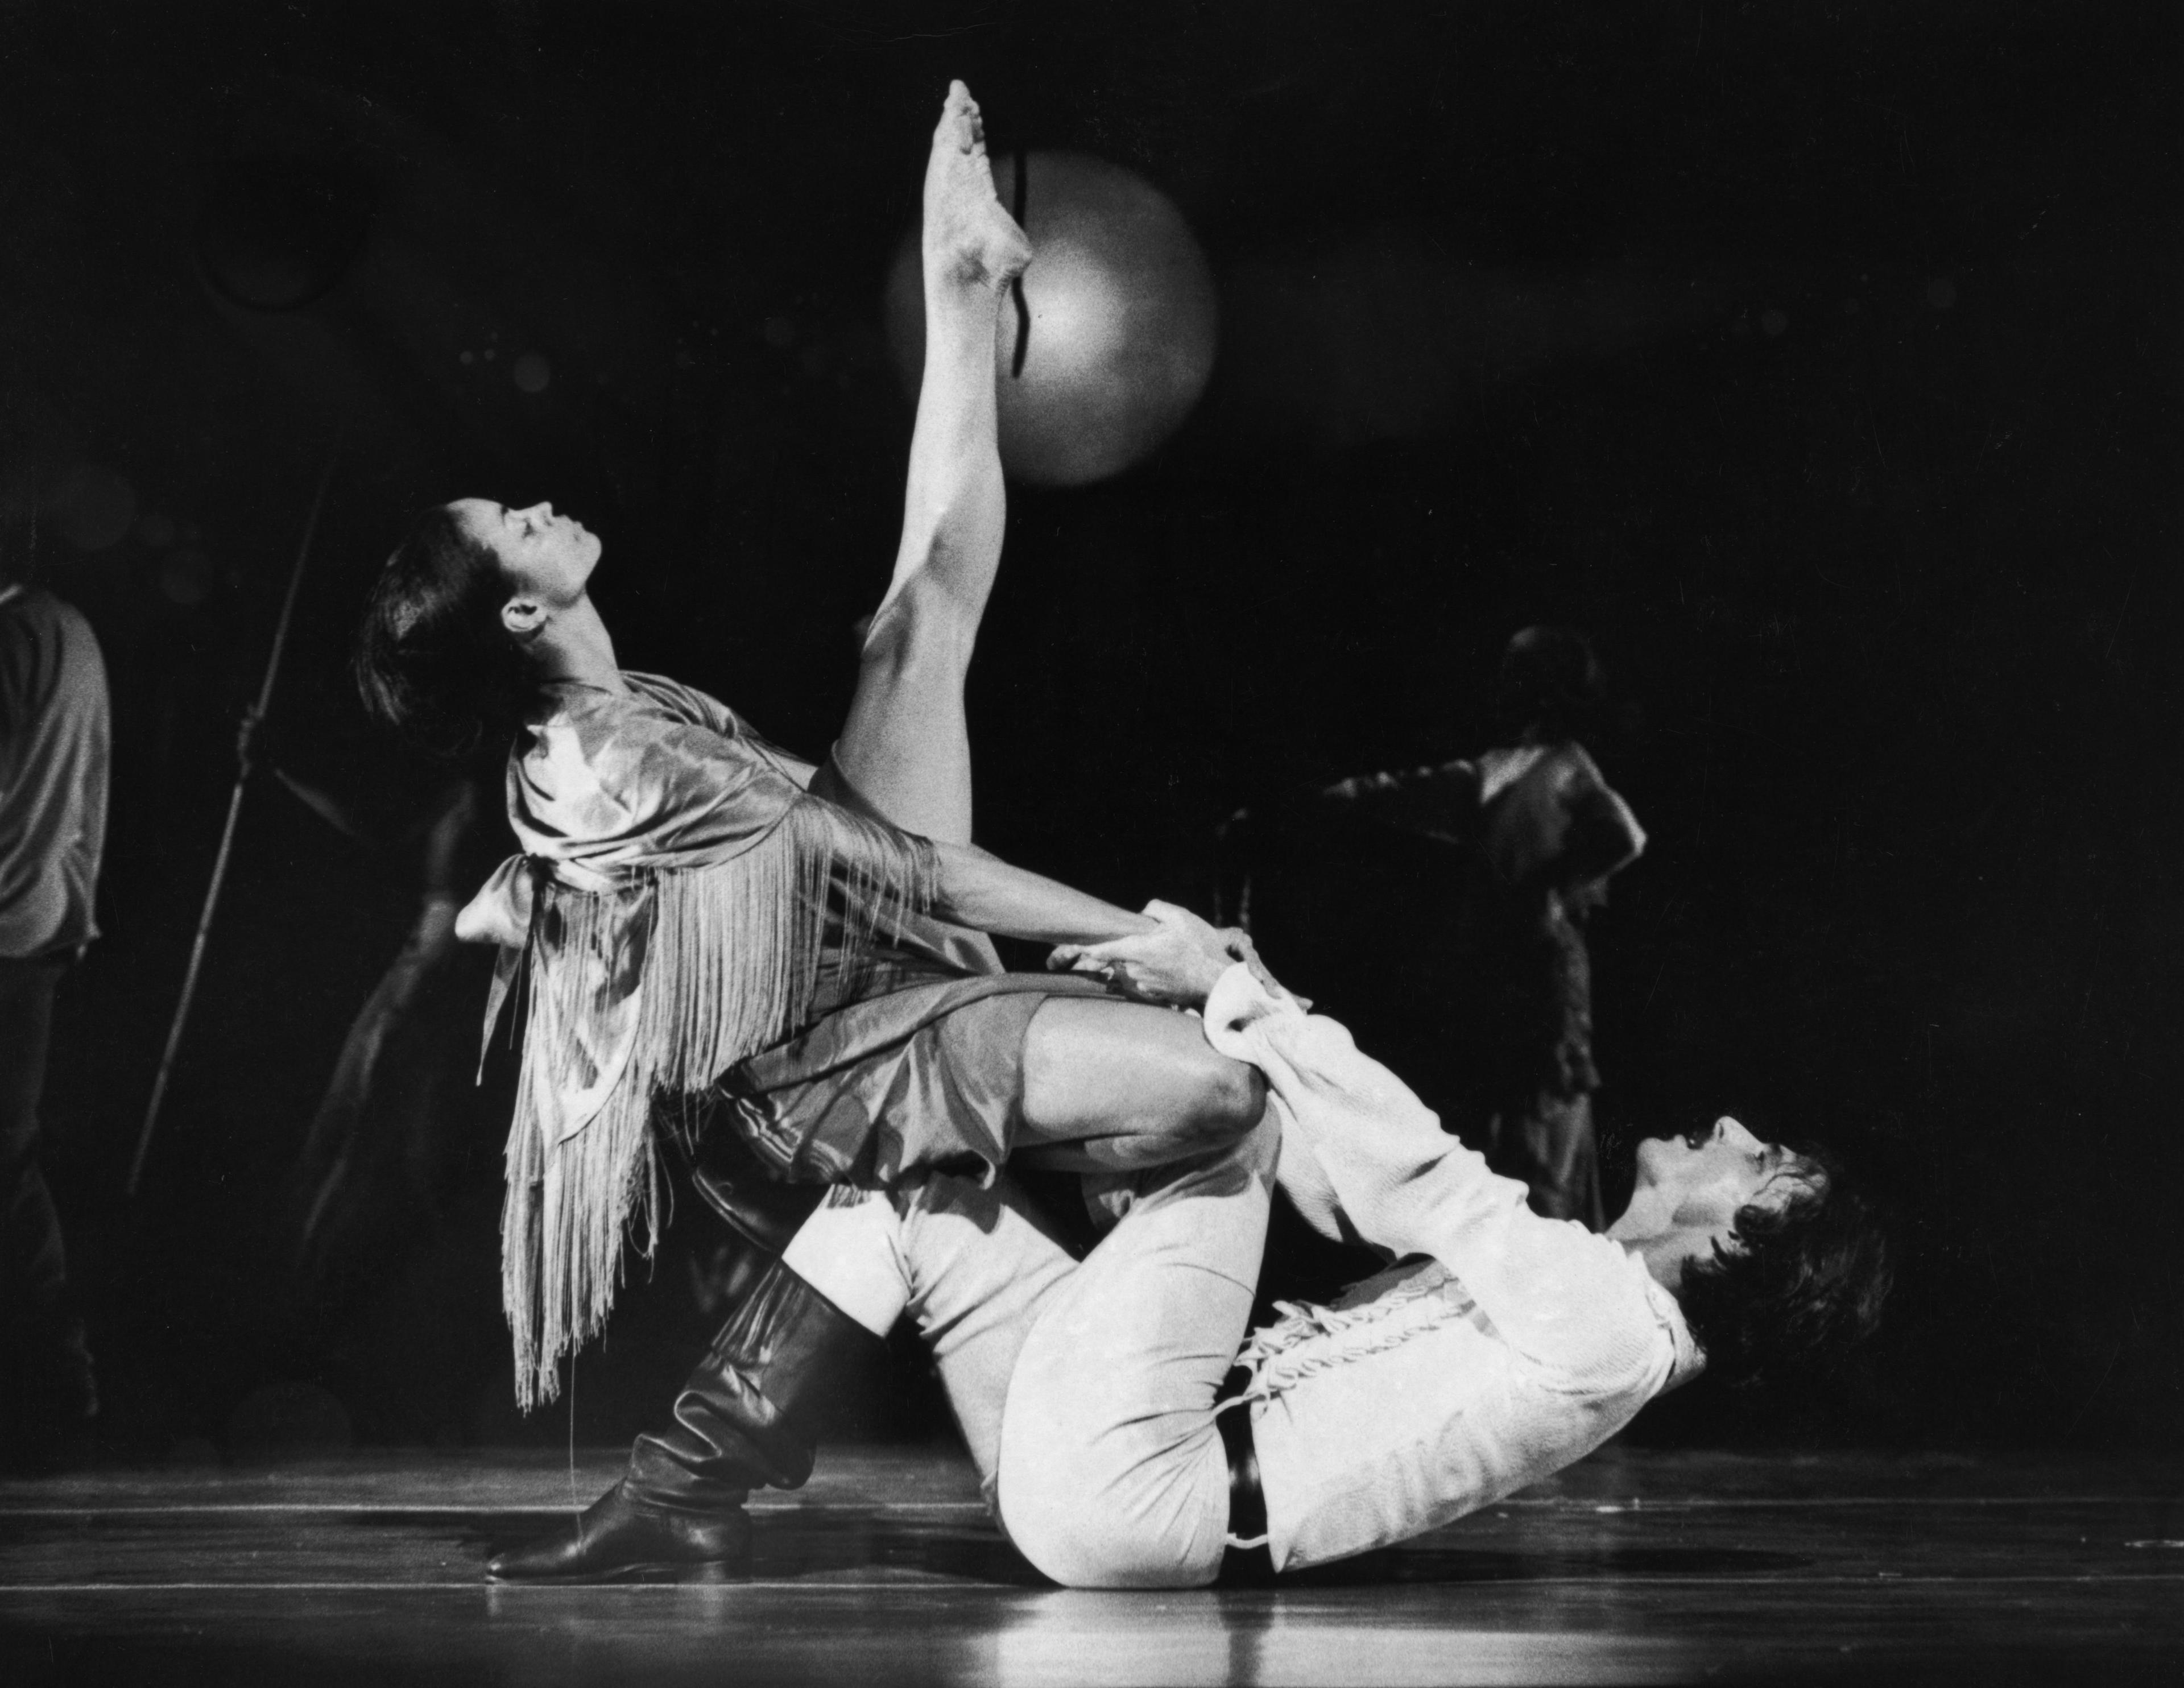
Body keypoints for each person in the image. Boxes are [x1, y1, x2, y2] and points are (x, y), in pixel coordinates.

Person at [353, 84, 1264, 1577]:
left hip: (841, 986)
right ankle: (726, 1431)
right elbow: (914, 871)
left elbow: (737, 872)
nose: (539, 498)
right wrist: (1131, 929)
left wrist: (529, 912)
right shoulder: (627, 755)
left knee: (918, 629)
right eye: (515, 520)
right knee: (1218, 1095)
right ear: (523, 609)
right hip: (813, 1069)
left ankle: (962, 284)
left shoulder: (599, 719)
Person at [760, 904, 1891, 1587]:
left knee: (1230, 1113)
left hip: (1140, 1490)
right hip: (1093, 1495)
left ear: (1750, 1233)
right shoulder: (1594, 1299)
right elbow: (1353, 1178)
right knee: (916, 1199)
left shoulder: (1610, 1325)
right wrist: (1252, 993)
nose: (1735, 1130)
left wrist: (1230, 992)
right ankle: (680, 1483)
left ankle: (884, 1058)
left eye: (1765, 1158)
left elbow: (1421, 1172)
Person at [0, 560, 110, 1463]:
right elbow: (87, 794)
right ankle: (55, 1386)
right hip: (34, 925)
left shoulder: (15, 634)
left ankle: (54, 1386)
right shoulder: (66, 627)